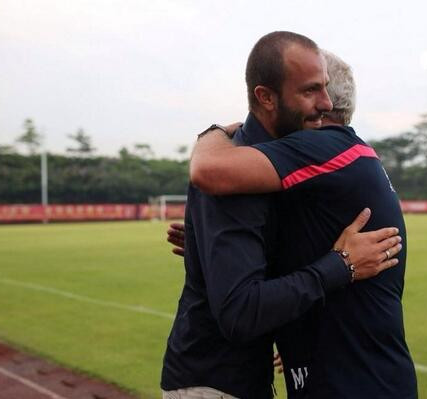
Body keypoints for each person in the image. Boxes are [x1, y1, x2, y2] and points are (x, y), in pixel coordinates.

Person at [161, 31, 402, 399]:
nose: (321, 103)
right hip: (214, 382)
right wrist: (342, 264)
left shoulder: (280, 160)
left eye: (323, 89)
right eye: (309, 90)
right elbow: (241, 310)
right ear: (267, 97)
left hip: (243, 379)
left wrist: (212, 250)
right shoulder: (243, 169)